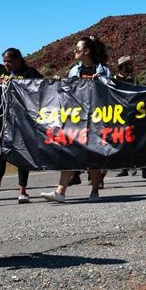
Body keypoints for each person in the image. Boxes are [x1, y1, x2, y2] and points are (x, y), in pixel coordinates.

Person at [0, 31, 43, 205]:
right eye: (4, 61)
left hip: (21, 122)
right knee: (0, 156)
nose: (6, 64)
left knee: (21, 155)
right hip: (1, 122)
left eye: (9, 61)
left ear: (18, 59)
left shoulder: (29, 73)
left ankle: (23, 192)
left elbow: (43, 89)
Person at [41, 36, 111, 203]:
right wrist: (59, 83)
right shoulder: (74, 71)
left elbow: (112, 91)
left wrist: (100, 82)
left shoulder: (104, 70)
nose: (75, 52)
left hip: (97, 118)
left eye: (78, 49)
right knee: (70, 152)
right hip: (76, 118)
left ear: (86, 51)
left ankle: (94, 191)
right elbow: (68, 92)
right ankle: (60, 191)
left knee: (93, 155)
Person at [114, 55, 139, 177]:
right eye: (127, 65)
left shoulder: (134, 79)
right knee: (120, 141)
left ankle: (132, 165)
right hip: (119, 114)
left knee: (131, 140)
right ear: (121, 67)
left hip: (131, 112)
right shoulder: (113, 79)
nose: (130, 67)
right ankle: (123, 168)